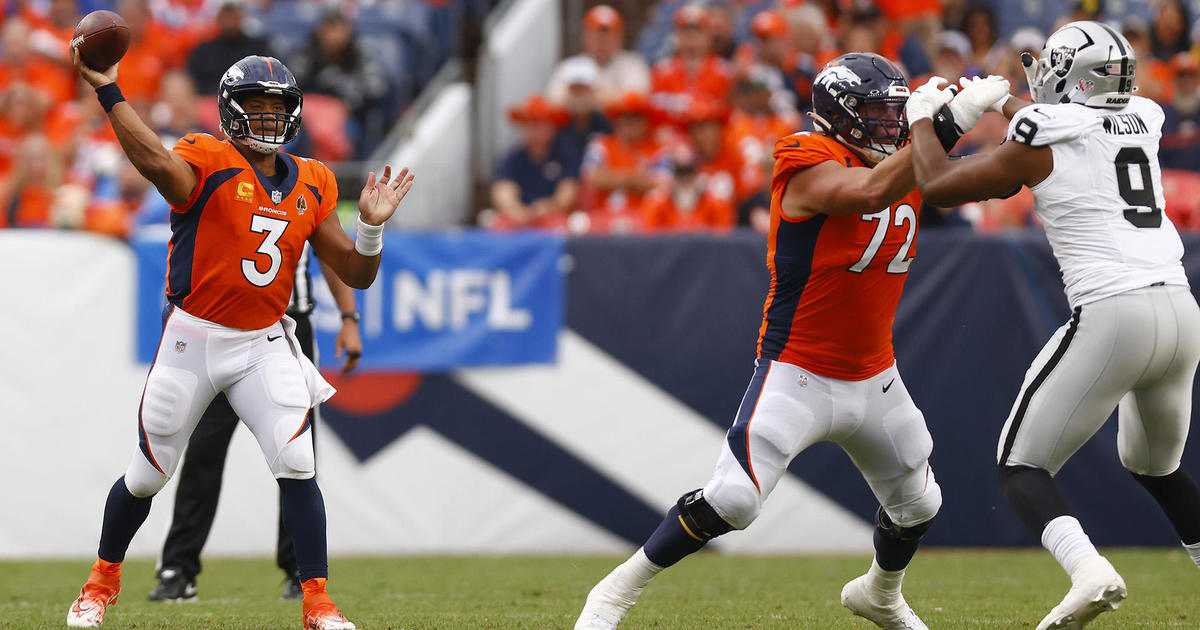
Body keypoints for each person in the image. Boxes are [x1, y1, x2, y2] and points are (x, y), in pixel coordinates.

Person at [573, 53, 998, 630]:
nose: (893, 125)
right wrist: (943, 126)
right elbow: (872, 191)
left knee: (921, 503)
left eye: (899, 114)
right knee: (734, 501)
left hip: (874, 373)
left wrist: (1027, 127)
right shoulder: (805, 157)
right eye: (878, 113)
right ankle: (614, 592)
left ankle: (881, 593)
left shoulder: (907, 157)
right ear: (838, 114)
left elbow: (962, 180)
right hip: (799, 370)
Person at [64, 46, 414, 630]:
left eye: (277, 108)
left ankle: (318, 603)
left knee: (299, 462)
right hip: (194, 336)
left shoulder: (313, 179)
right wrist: (109, 91)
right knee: (149, 473)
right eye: (255, 106)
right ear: (229, 110)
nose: (269, 118)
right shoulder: (206, 157)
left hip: (264, 341)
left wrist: (372, 229)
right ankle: (100, 582)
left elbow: (354, 272)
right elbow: (153, 161)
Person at [908, 20, 1200, 630]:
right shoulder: (1142, 119)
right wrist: (1004, 98)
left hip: (1114, 312)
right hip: (1179, 309)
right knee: (1158, 469)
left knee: (1020, 466)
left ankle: (1089, 570)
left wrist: (923, 116)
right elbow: (1080, 125)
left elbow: (935, 185)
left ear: (1072, 78)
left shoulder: (1037, 139)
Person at [148, 248, 363, 603]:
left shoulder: (308, 190)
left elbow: (332, 249)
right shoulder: (228, 188)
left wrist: (349, 317)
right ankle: (178, 568)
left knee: (296, 455)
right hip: (223, 327)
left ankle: (301, 571)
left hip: (284, 328)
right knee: (203, 450)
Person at [488, 93, 578, 230]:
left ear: (552, 127)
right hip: (519, 218)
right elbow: (503, 193)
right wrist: (518, 211)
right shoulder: (511, 159)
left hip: (552, 218)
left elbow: (567, 195)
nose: (534, 130)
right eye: (529, 124)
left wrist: (548, 207)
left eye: (540, 124)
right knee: (500, 225)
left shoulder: (566, 156)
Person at [547, 4, 650, 106]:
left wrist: (587, 97)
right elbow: (554, 101)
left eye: (608, 35)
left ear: (620, 37)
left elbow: (636, 100)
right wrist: (610, 97)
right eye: (597, 35)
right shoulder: (569, 66)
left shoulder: (633, 64)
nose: (602, 40)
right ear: (585, 36)